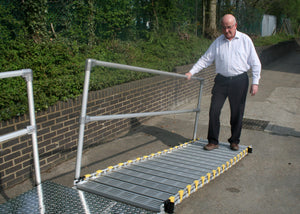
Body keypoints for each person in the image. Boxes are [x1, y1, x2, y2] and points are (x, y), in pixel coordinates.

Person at [185, 14, 261, 151]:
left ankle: (234, 141)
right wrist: (191, 72)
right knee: (214, 110)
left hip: (239, 80)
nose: (227, 31)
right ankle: (213, 141)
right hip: (221, 81)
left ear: (235, 26)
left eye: (229, 27)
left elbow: (255, 63)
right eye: (224, 28)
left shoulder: (245, 40)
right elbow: (205, 59)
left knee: (237, 113)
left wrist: (255, 82)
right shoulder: (218, 42)